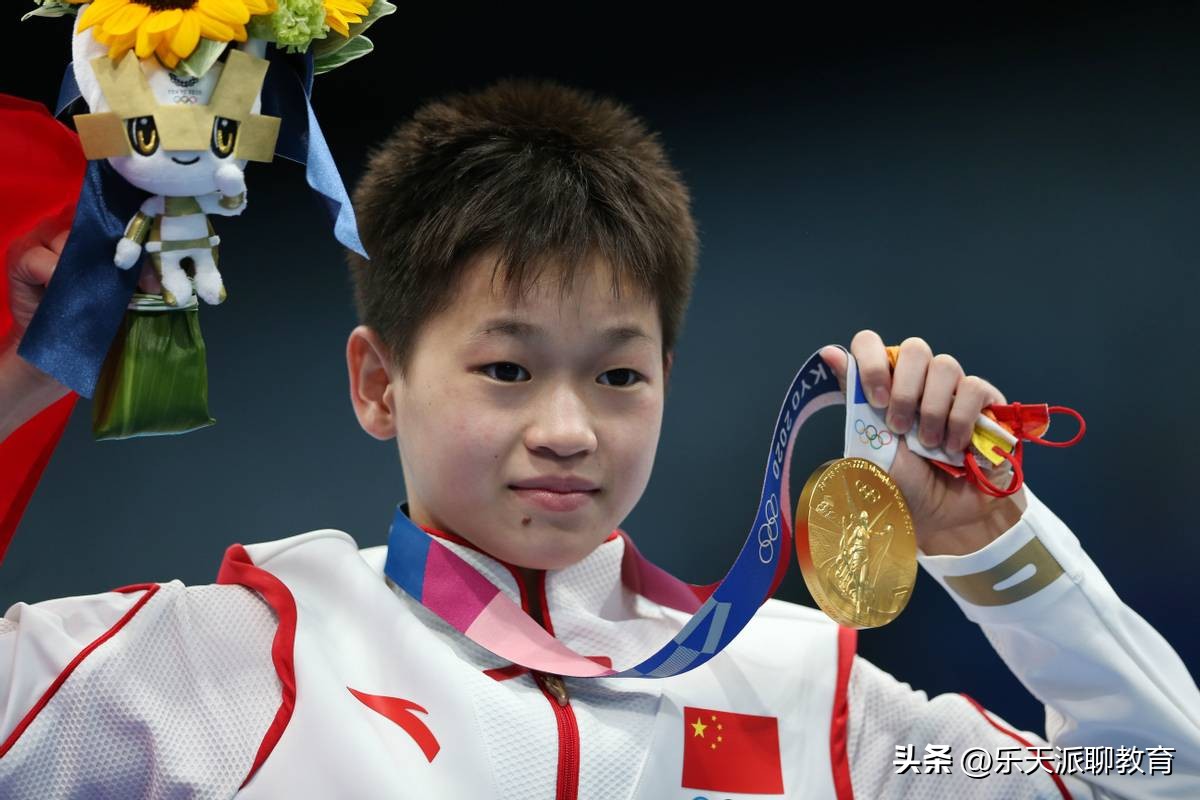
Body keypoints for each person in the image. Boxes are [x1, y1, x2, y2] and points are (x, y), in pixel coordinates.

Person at [0, 77, 1197, 799]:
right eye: (507, 368)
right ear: (378, 384)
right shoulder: (233, 658)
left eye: (617, 373)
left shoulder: (804, 691)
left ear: (667, 380)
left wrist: (999, 553)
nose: (566, 428)